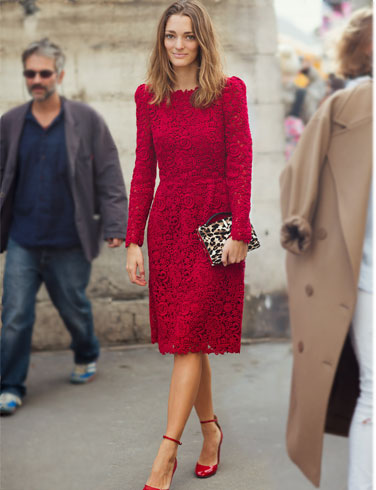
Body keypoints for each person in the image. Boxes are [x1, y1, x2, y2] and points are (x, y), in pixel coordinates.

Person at [125, 1, 253, 488]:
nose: (179, 45)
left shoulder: (227, 92)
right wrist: (133, 239)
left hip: (214, 225)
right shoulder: (148, 97)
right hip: (169, 224)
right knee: (189, 339)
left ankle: (166, 452)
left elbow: (241, 162)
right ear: (162, 41)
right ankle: (211, 431)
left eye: (188, 36)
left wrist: (240, 229)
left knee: (186, 340)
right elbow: (143, 171)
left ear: (203, 40)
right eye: (171, 36)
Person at [0, 38, 128, 415]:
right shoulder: (10, 123)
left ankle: (87, 352)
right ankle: (9, 385)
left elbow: (108, 173)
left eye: (44, 72)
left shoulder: (86, 120)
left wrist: (115, 223)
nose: (36, 79)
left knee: (73, 308)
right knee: (15, 315)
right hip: (24, 239)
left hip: (70, 241)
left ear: (60, 74)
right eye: (30, 73)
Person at [279, 8, 372, 489]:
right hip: (364, 276)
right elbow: (296, 177)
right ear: (366, 49)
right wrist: (300, 220)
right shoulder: (347, 108)